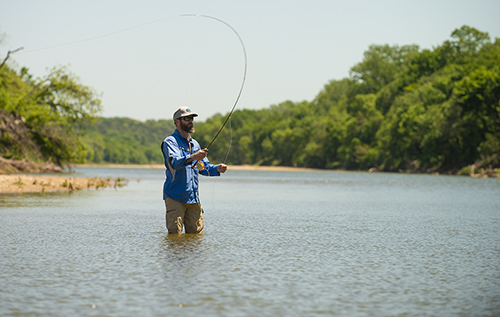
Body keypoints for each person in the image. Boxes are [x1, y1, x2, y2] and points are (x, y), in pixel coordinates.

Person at [161, 106, 227, 234]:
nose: (190, 121)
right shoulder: (170, 142)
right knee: (175, 237)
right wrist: (194, 157)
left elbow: (204, 167)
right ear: (177, 122)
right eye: (186, 118)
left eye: (191, 118)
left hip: (193, 199)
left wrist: (217, 168)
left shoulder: (195, 144)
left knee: (196, 236)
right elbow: (174, 162)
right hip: (175, 196)